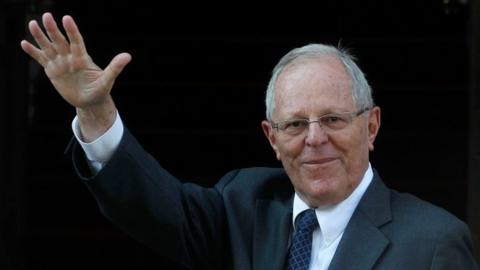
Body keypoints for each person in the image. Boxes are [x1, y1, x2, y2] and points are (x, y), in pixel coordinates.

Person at [20, 12, 479, 270]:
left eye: (334, 119)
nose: (315, 139)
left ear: (372, 126)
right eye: (295, 125)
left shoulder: (434, 243)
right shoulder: (243, 204)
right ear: (271, 138)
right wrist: (96, 113)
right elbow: (153, 207)